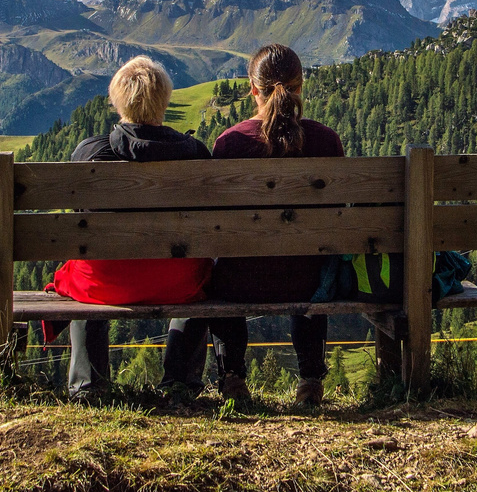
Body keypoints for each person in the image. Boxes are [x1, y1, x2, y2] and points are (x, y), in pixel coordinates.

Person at [43, 56, 247, 399]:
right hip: (176, 282)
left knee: (83, 269)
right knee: (200, 272)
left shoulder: (89, 153)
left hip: (104, 284)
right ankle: (179, 380)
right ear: (164, 102)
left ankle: (88, 385)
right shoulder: (195, 154)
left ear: (117, 101)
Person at [181, 43, 343, 406]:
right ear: (300, 88)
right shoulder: (326, 141)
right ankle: (310, 382)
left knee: (222, 264)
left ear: (253, 90)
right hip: (310, 282)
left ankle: (233, 378)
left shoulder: (229, 143)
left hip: (241, 281)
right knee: (315, 259)